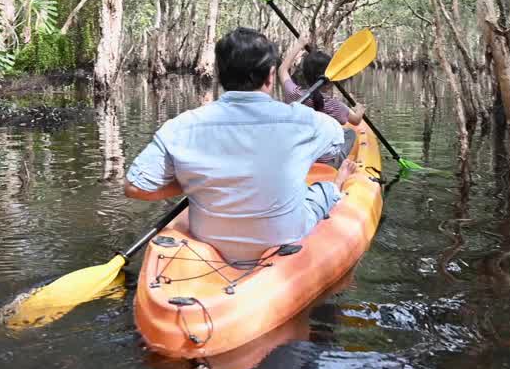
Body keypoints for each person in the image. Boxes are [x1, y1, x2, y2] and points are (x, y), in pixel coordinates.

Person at [124, 28, 357, 264]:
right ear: (270, 75)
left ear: (219, 74)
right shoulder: (308, 122)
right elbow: (336, 140)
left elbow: (135, 188)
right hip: (286, 233)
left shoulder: (181, 126)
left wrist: (194, 183)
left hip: (208, 237)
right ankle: (336, 187)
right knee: (322, 190)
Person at [278, 35, 365, 165]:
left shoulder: (292, 93)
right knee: (350, 133)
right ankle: (338, 161)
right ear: (330, 82)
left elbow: (282, 69)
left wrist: (299, 45)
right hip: (325, 160)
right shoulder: (334, 105)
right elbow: (356, 120)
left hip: (299, 154)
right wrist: (359, 109)